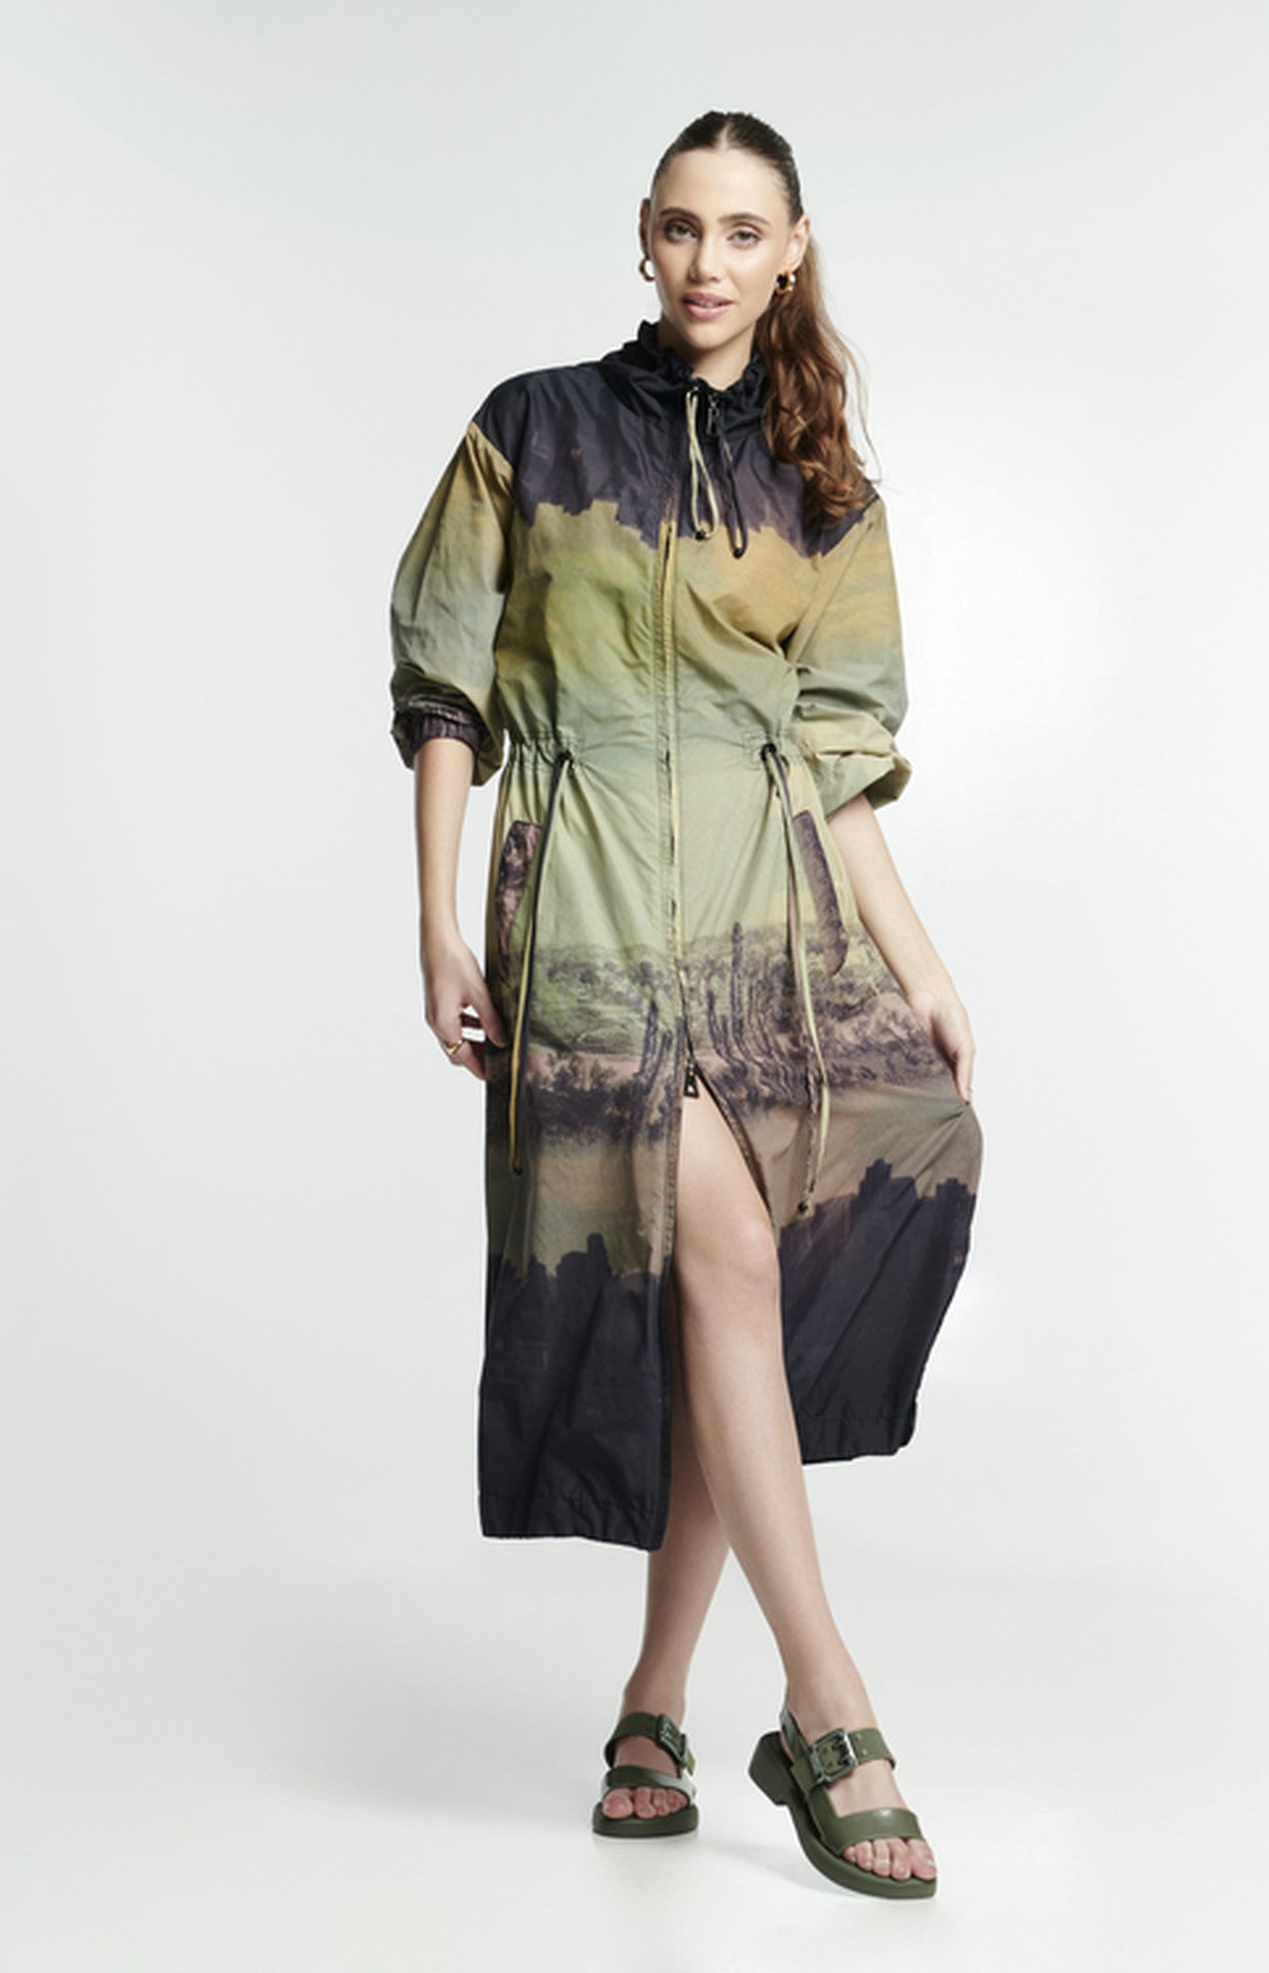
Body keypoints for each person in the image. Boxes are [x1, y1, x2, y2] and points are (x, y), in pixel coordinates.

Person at [390, 109, 984, 1899]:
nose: (707, 262)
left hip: (770, 928)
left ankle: (659, 1704)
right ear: (642, 239)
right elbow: (444, 684)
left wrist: (921, 963)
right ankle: (830, 1705)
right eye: (679, 228)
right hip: (582, 918)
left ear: (792, 251)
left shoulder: (826, 485)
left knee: (735, 1290)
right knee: (721, 1270)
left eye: (742, 233)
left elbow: (841, 761)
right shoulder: (534, 429)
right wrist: (436, 921)